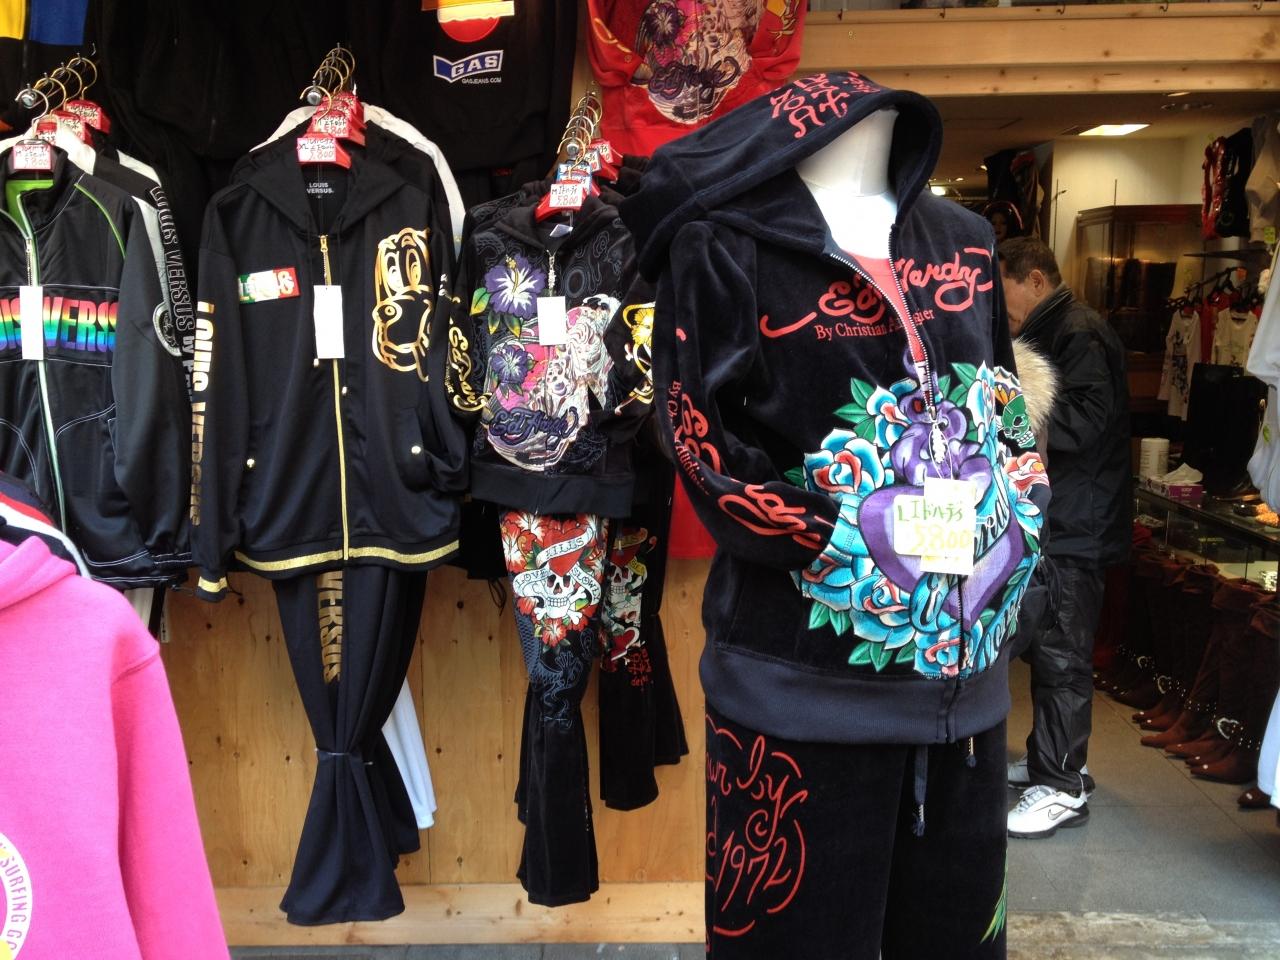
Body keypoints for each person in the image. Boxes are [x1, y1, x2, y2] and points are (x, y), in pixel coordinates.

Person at [999, 237, 1132, 838]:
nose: (998, 301)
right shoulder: (1058, 329)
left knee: (1063, 650)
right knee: (1051, 643)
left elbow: (1085, 422)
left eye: (1003, 285)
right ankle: (1052, 759)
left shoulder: (1077, 331)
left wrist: (1011, 411)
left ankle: (1062, 784)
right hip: (1067, 515)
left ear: (1033, 278)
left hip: (1078, 522)